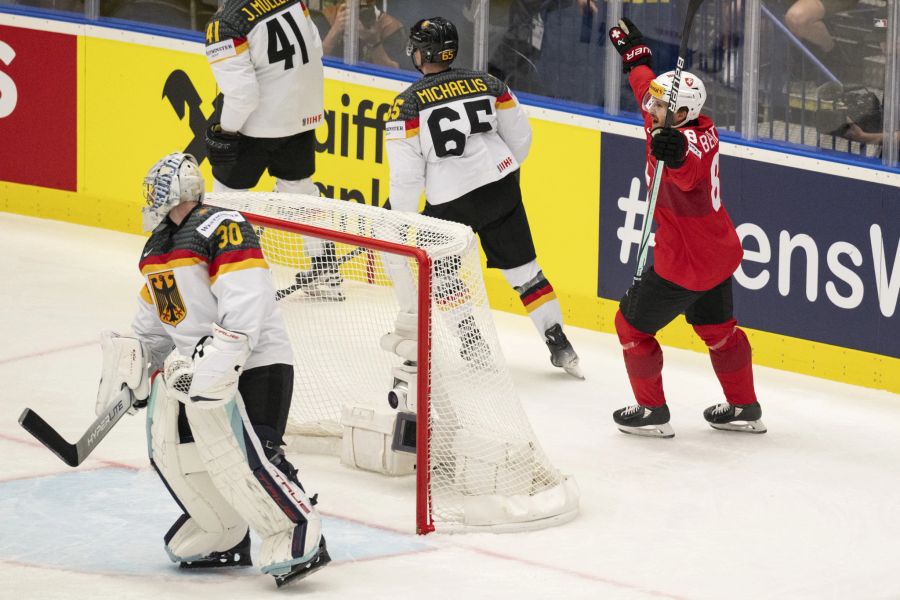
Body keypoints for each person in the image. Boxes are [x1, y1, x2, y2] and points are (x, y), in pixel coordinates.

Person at [93, 153, 330, 586]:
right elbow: (160, 322)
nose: (150, 197)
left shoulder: (222, 226)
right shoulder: (158, 247)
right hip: (196, 372)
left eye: (156, 187)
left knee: (251, 454)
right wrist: (138, 363)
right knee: (178, 452)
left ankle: (297, 527)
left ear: (180, 190)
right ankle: (222, 532)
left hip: (256, 362)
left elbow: (247, 301)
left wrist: (220, 359)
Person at [383, 16, 582, 379]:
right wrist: (496, 169)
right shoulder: (489, 83)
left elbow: (407, 178)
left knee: (442, 274)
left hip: (450, 203)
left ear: (420, 54)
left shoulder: (406, 105)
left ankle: (472, 341)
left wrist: (402, 215)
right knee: (525, 272)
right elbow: (520, 136)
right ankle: (559, 343)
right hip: (501, 187)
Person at [606, 18, 766, 437]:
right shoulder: (666, 118)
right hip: (718, 251)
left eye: (660, 107)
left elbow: (689, 171)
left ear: (682, 114)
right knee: (718, 332)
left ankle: (651, 411)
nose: (650, 108)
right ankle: (744, 406)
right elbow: (645, 88)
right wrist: (634, 55)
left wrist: (673, 154)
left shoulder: (686, 142)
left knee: (630, 327)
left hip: (688, 261)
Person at [203, 0, 341, 299]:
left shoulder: (226, 24)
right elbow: (315, 49)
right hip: (304, 114)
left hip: (259, 125)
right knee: (300, 188)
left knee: (226, 196)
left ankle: (230, 276)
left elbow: (242, 95)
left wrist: (225, 131)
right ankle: (326, 269)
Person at [315, 0, 407, 69]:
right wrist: (335, 30)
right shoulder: (328, 17)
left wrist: (374, 43)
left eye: (365, 8)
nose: (359, 12)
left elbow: (395, 75)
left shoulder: (390, 27)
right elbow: (314, 63)